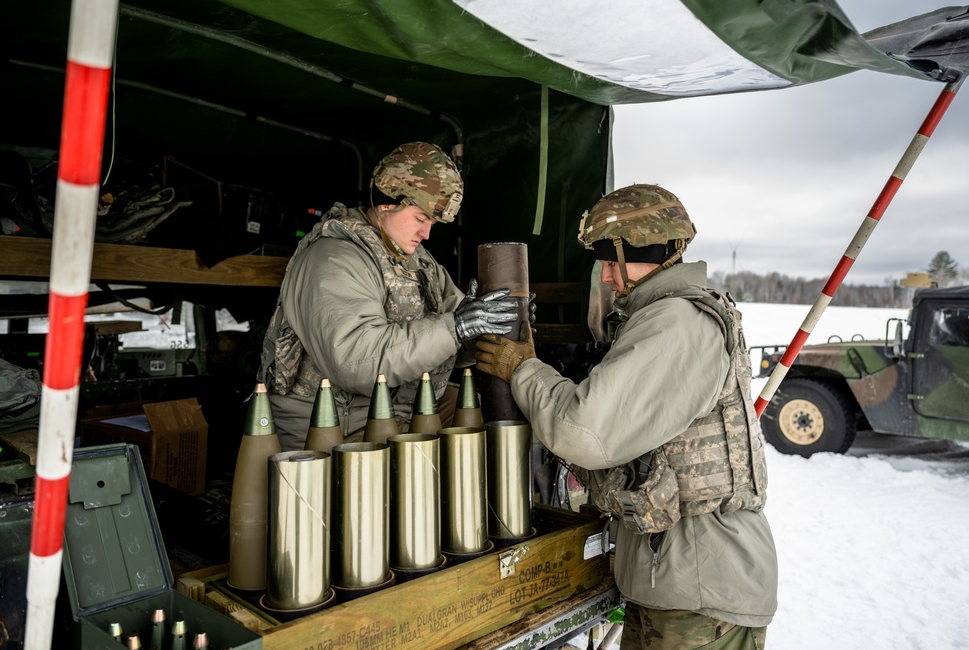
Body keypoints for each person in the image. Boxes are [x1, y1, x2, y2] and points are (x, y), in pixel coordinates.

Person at [476, 184, 777, 649]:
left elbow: (585, 431)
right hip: (673, 584)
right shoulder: (660, 316)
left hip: (699, 595)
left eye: (612, 260)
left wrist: (523, 369)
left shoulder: (678, 323)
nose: (607, 276)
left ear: (646, 252)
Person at [259, 141, 517, 450]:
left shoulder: (419, 261)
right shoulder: (334, 259)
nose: (427, 233)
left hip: (396, 414)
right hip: (335, 428)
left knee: (488, 439)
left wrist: (485, 325)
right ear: (386, 202)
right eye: (421, 218)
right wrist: (456, 327)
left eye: (433, 222)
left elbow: (449, 340)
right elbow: (356, 362)